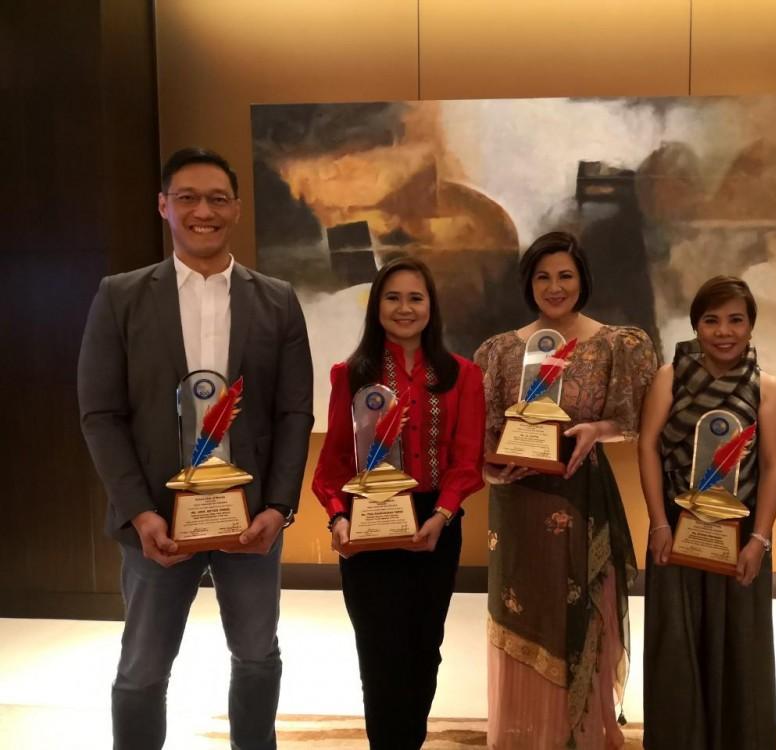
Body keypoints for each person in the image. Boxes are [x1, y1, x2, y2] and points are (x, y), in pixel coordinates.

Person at [77, 147, 314, 750]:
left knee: (258, 656)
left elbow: (293, 413)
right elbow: (101, 414)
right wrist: (139, 511)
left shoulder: (278, 300)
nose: (201, 211)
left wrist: (278, 507)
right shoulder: (120, 296)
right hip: (157, 522)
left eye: (216, 198)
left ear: (235, 208)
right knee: (143, 668)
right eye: (186, 197)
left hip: (252, 520)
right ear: (164, 206)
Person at [474, 231, 657, 749]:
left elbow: (634, 420)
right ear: (528, 283)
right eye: (543, 276)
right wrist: (490, 472)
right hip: (517, 506)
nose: (554, 287)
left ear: (583, 281)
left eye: (565, 276)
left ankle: (581, 736)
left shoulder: (616, 344)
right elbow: (484, 438)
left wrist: (598, 430)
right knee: (520, 615)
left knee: (585, 616)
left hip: (581, 499)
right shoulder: (500, 352)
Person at [312, 256, 485, 750]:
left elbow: (468, 459)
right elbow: (335, 463)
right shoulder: (350, 374)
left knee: (424, 650)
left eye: (415, 297)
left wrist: (442, 514)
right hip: (367, 527)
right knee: (379, 652)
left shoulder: (463, 375)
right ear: (376, 306)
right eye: (393, 297)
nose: (404, 308)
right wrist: (338, 518)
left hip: (436, 524)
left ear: (431, 306)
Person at [637, 275, 776, 749]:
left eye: (735, 320)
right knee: (675, 650)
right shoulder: (670, 376)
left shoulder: (769, 389)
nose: (723, 331)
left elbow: (774, 465)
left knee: (740, 650)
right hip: (675, 531)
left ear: (750, 326)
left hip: (739, 537)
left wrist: (759, 540)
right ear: (696, 325)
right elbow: (647, 446)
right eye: (711, 320)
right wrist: (659, 523)